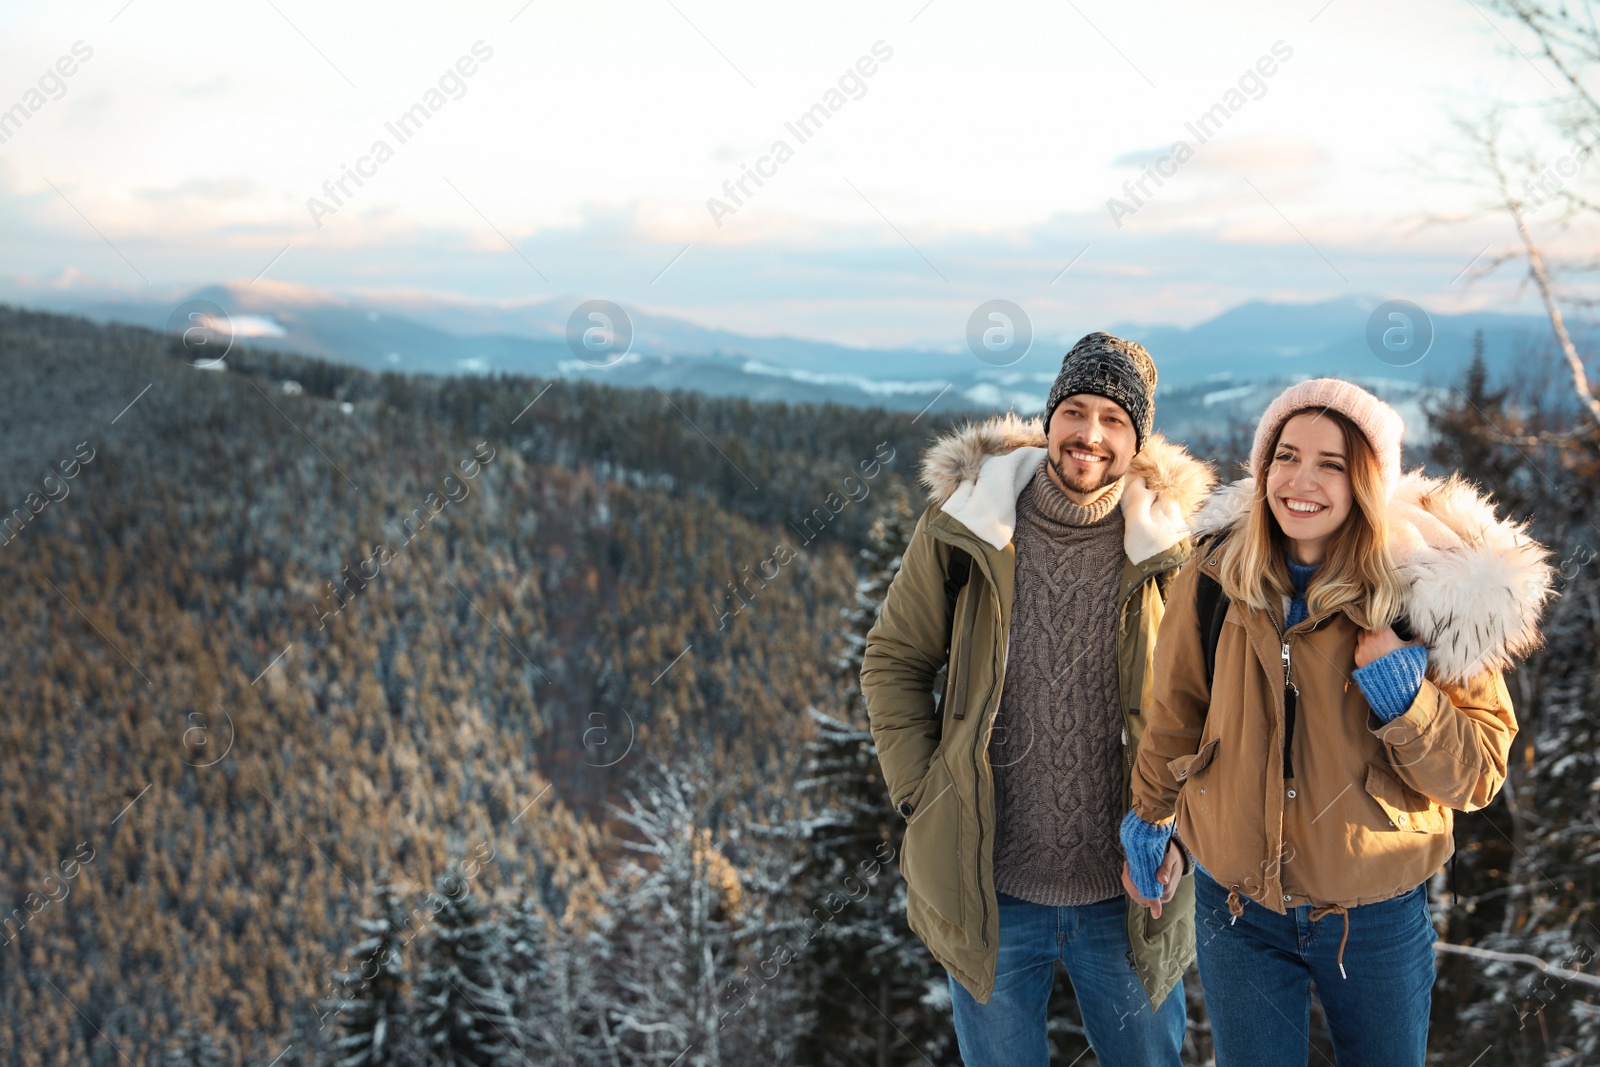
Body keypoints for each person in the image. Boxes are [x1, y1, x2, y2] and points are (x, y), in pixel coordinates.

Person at [1119, 378, 1554, 1066]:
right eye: (1286, 455)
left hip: (1373, 917)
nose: (1302, 479)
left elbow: (1478, 773)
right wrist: (1149, 814)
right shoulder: (1213, 571)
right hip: (1237, 912)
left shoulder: (1426, 594)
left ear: (1366, 482)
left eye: (1331, 463)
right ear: (1263, 468)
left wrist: (1407, 704)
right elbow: (1177, 711)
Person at [861, 333, 1215, 1066]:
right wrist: (923, 792)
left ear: (1137, 437)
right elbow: (895, 658)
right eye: (1076, 411)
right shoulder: (968, 526)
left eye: (1115, 420)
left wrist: (1183, 830)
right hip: (991, 883)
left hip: (1130, 889)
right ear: (1051, 416)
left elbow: (1215, 707)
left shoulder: (1175, 550)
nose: (1091, 434)